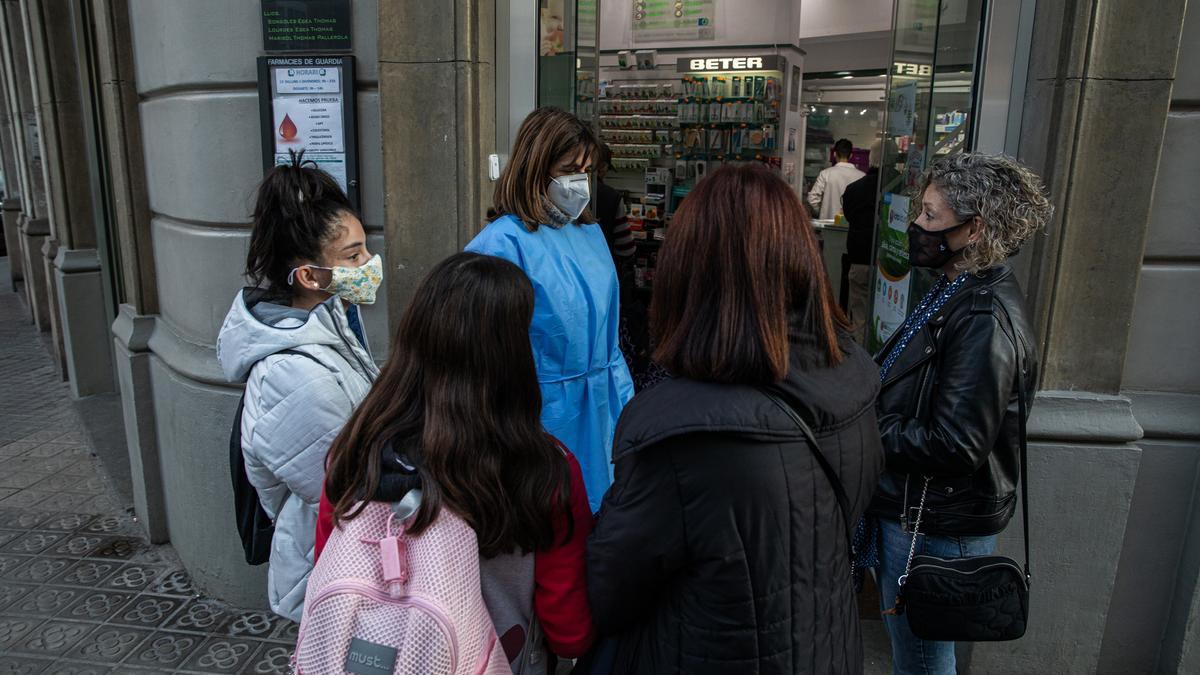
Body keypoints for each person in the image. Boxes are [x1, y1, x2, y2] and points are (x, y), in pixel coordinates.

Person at [587, 164, 885, 674]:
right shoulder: (853, 379)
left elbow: (609, 588)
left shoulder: (678, 432)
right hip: (826, 644)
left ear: (689, 272)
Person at [316, 252, 595, 668]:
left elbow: (327, 562)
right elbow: (568, 630)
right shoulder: (547, 471)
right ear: (512, 355)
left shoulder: (358, 449)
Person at [869, 153, 1050, 674]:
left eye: (930, 215)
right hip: (921, 514)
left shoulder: (980, 314)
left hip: (932, 523)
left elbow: (957, 444)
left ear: (976, 229)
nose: (916, 227)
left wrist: (868, 428)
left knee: (923, 659)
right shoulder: (955, 293)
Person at [216, 152, 381, 622]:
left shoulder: (327, 318)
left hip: (348, 557)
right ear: (309, 276)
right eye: (353, 256)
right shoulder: (293, 374)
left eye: (364, 249)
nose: (368, 264)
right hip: (334, 570)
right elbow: (348, 490)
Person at [466, 107, 635, 512]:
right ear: (535, 165)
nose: (580, 182)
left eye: (587, 170)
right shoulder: (500, 245)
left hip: (603, 400)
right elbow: (480, 358)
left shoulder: (588, 232)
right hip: (543, 415)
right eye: (567, 169)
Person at [840, 139, 885, 339]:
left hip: (859, 259)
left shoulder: (854, 189)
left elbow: (849, 217)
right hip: (890, 265)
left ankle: (861, 361)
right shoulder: (899, 187)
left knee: (859, 315)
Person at [808, 138, 865, 220]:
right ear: (851, 155)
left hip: (828, 225)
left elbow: (812, 198)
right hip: (852, 226)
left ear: (834, 154)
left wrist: (823, 211)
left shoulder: (826, 174)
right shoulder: (862, 176)